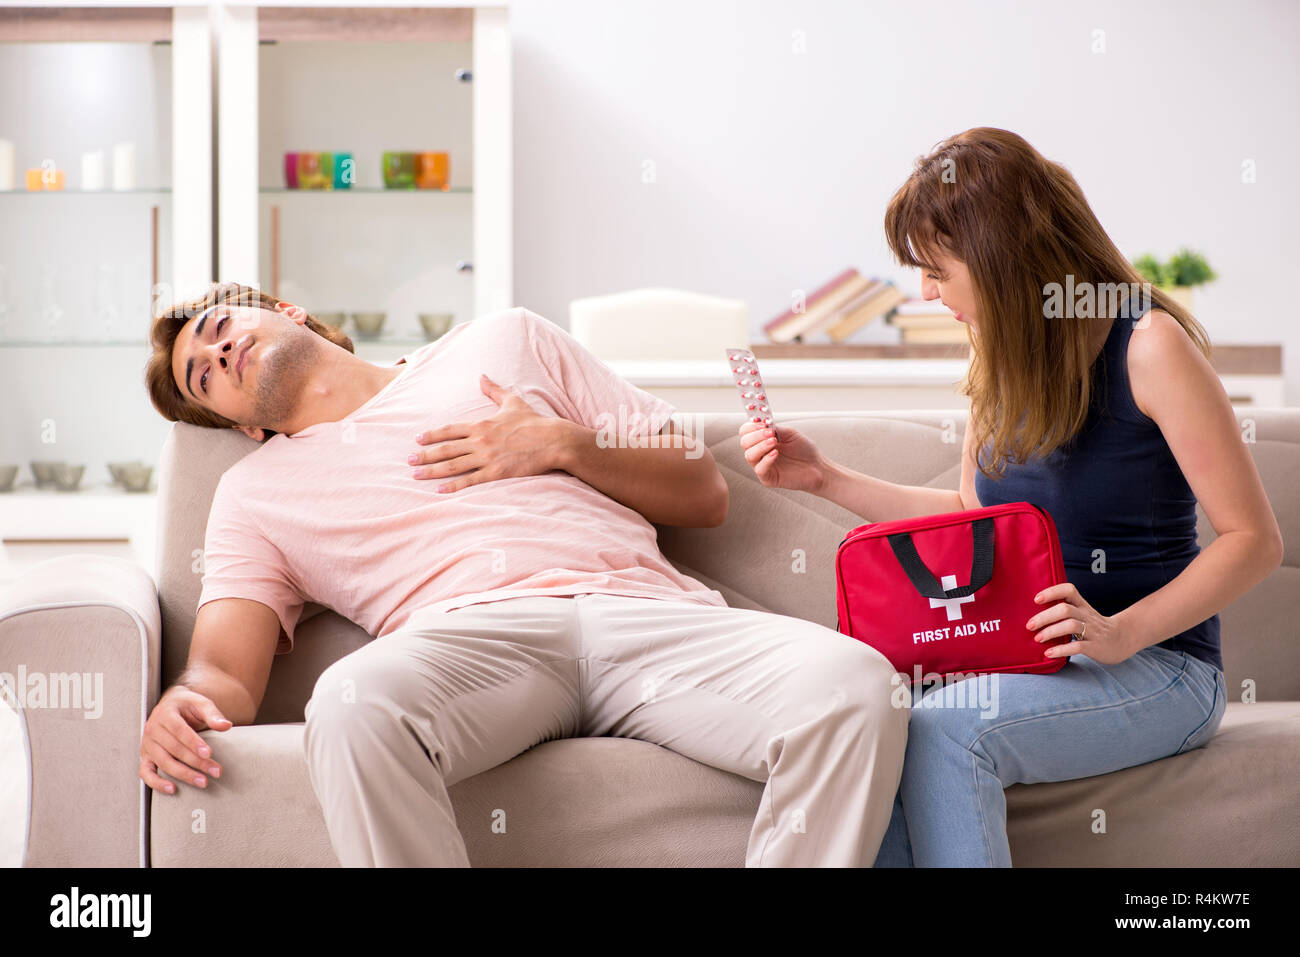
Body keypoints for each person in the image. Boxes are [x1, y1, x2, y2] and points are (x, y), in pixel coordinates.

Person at [140, 283, 909, 866]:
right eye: (204, 377)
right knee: (348, 702)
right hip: (473, 646)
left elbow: (702, 490)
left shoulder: (506, 341)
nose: (217, 355)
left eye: (218, 329)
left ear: (286, 309)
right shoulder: (253, 492)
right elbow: (222, 672)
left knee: (857, 686)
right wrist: (186, 700)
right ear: (244, 424)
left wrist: (562, 444)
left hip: (644, 613)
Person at [738, 127, 1283, 867]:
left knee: (943, 728)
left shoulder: (1148, 347)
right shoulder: (999, 354)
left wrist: (1119, 632)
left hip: (1162, 669)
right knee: (883, 726)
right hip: (1031, 663)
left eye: (936, 270)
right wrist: (824, 477)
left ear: (1001, 258)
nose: (925, 292)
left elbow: (1253, 539)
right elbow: (974, 522)